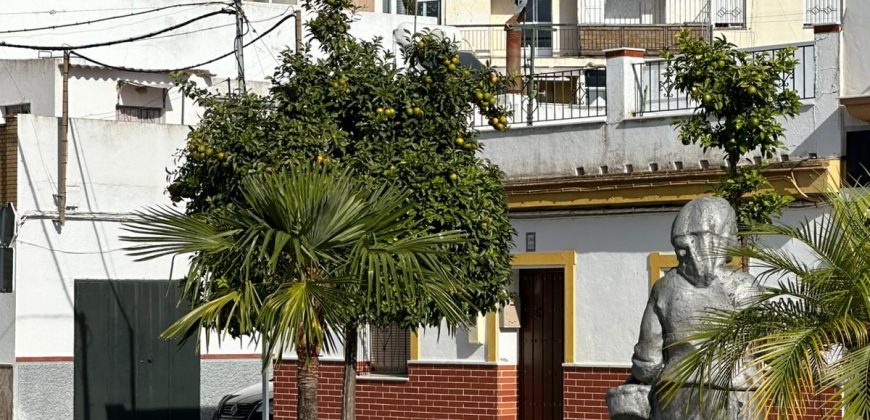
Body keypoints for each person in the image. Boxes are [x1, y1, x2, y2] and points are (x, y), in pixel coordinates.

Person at [624, 197, 758, 419]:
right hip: (738, 394)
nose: (736, 237)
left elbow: (648, 363)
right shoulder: (744, 286)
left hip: (675, 394)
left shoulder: (665, 288)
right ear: (720, 236)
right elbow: (765, 351)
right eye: (732, 230)